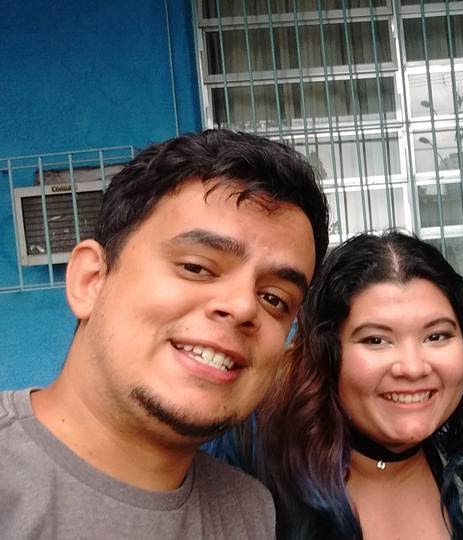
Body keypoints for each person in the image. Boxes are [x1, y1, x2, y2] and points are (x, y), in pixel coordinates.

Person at [0, 129, 328, 539]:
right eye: (196, 267)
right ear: (91, 280)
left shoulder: (248, 511)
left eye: (275, 299)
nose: (244, 307)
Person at [246, 231, 463, 539]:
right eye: (376, 340)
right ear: (326, 356)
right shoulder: (255, 479)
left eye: (436, 336)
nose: (412, 368)